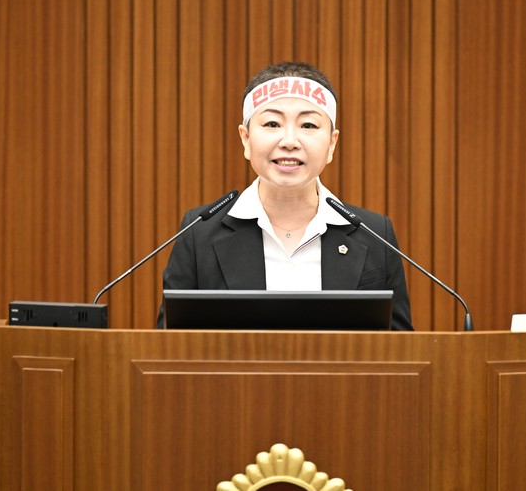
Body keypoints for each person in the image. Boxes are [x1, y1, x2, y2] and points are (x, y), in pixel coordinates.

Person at [157, 61, 413, 330]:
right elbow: (169, 345)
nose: (289, 141)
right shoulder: (199, 233)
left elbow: (400, 348)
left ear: (331, 143)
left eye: (308, 125)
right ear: (246, 139)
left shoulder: (374, 234)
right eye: (272, 123)